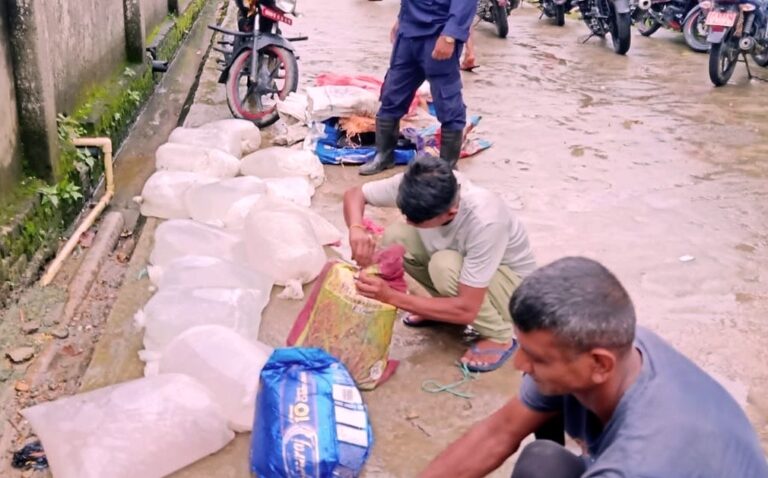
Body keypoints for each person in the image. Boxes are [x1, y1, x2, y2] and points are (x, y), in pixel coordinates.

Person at [420, 257, 768, 478]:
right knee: (543, 462)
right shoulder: (619, 344)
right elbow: (496, 434)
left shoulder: (639, 462)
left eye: (537, 358)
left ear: (600, 364)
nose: (520, 365)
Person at [344, 158, 537, 371]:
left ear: (450, 213)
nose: (408, 220)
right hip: (468, 274)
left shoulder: (486, 221)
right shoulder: (419, 184)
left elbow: (467, 308)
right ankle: (443, 308)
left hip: (514, 292)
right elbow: (355, 194)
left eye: (417, 220)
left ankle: (498, 335)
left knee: (444, 266)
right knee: (397, 236)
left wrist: (391, 297)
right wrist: (356, 228)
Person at [359, 0, 479, 175]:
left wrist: (450, 36)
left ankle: (447, 167)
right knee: (391, 94)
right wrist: (401, 20)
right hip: (408, 34)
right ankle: (384, 156)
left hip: (438, 34)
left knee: (448, 103)